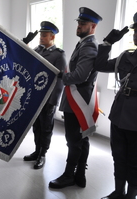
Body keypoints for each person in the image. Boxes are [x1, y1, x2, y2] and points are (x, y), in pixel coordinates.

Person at [48, 7, 102, 189]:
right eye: (78, 23)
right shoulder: (84, 44)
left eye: (83, 24)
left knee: (73, 140)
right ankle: (80, 175)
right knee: (81, 138)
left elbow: (80, 76)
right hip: (79, 99)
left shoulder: (89, 46)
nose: (79, 26)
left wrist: (62, 76)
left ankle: (69, 175)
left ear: (93, 26)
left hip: (78, 101)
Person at [93, 13, 137, 199]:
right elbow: (99, 65)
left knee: (135, 161)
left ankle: (131, 195)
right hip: (118, 116)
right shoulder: (125, 57)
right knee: (118, 156)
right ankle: (118, 192)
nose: (136, 35)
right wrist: (106, 44)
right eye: (136, 31)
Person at [23, 21, 67, 169]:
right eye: (41, 34)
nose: (41, 37)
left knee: (46, 127)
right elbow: (27, 60)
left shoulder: (59, 55)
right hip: (36, 96)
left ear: (52, 36)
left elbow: (61, 79)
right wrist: (25, 43)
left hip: (48, 98)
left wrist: (53, 101)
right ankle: (36, 151)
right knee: (36, 126)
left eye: (44, 34)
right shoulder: (38, 50)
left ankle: (43, 154)